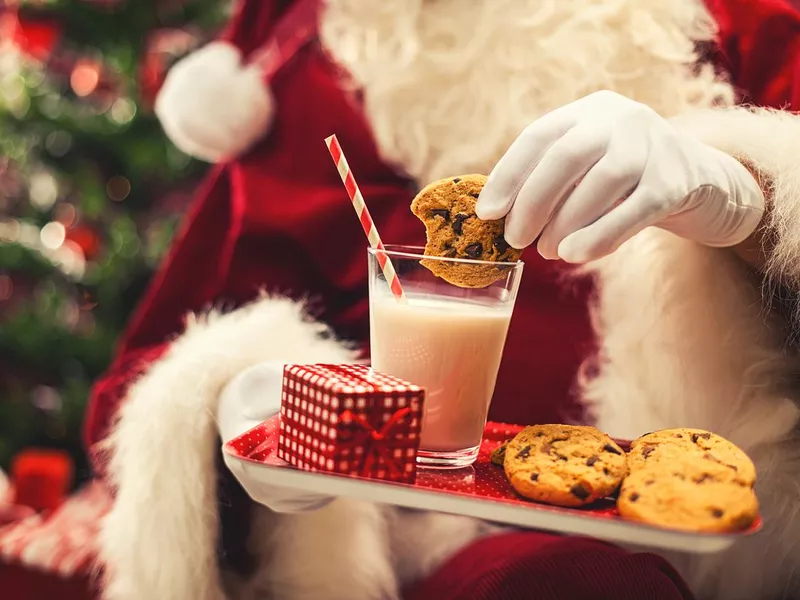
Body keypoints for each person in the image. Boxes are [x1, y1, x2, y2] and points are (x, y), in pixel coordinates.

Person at [86, 0, 800, 598]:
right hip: (427, 531)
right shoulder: (335, 54)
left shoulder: (745, 18)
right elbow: (172, 349)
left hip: (729, 519)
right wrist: (253, 409)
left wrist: (751, 197)